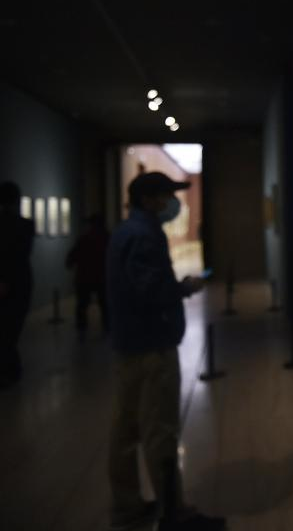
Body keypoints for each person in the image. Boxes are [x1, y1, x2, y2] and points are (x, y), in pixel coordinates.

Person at [107, 172, 224, 530]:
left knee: (126, 429)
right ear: (148, 200)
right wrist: (184, 288)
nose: (171, 202)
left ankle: (126, 507)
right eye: (165, 195)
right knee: (160, 429)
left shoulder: (126, 232)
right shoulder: (144, 235)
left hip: (130, 343)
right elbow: (150, 291)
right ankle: (175, 513)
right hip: (152, 343)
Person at [0, 181, 34, 387]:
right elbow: (20, 255)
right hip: (21, 281)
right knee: (11, 328)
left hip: (11, 281)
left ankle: (9, 369)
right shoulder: (26, 225)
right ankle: (10, 369)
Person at [66, 213, 110, 334]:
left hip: (84, 277)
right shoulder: (108, 239)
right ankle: (107, 328)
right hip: (102, 277)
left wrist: (70, 263)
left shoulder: (84, 239)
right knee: (104, 305)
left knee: (82, 305)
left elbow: (72, 257)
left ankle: (81, 330)